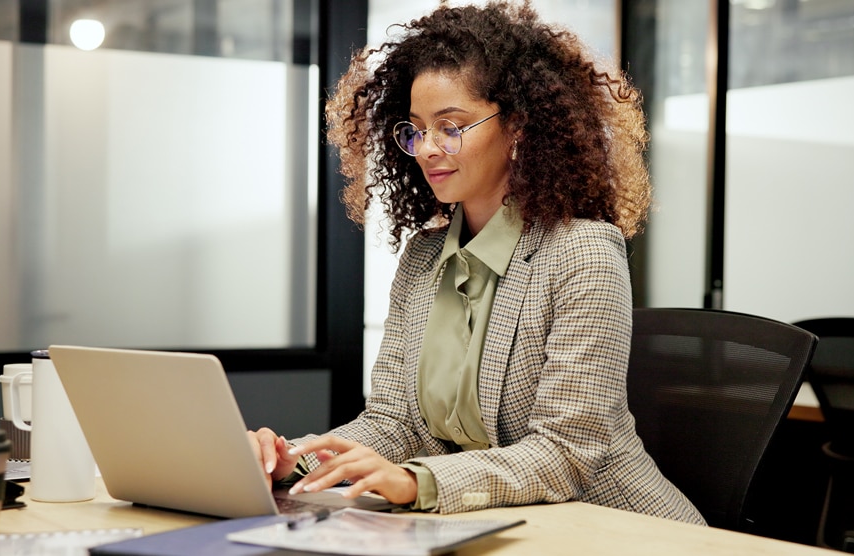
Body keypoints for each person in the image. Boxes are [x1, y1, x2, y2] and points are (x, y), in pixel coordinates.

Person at [249, 0, 705, 523]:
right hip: (495, 524)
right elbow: (393, 423)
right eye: (415, 129)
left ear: (517, 127)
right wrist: (294, 458)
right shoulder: (424, 257)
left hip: (618, 528)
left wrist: (417, 481)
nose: (425, 149)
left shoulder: (583, 252)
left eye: (451, 126)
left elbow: (566, 454)